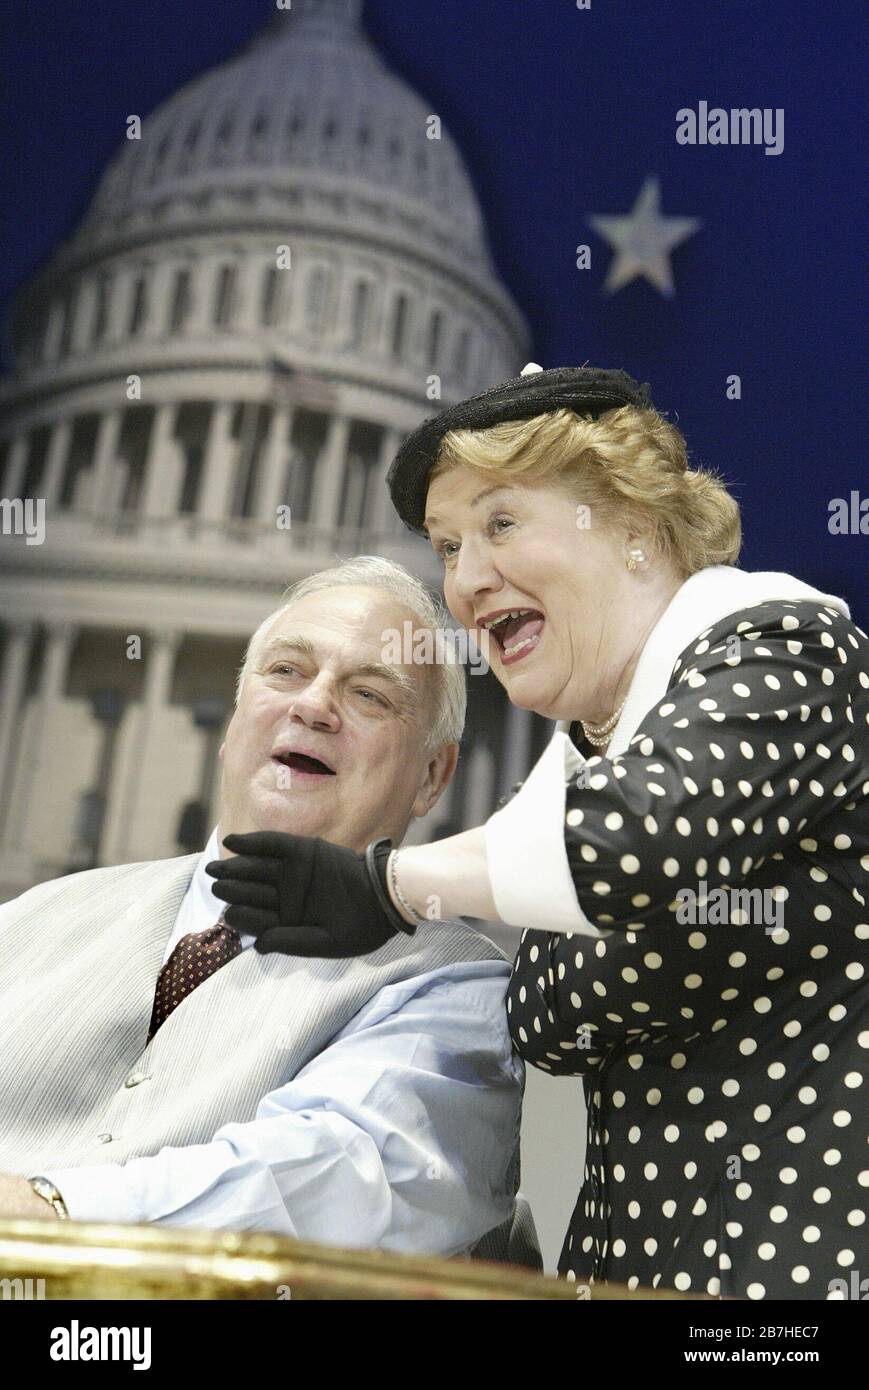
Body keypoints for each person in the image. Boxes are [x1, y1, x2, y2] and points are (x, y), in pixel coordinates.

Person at [209, 365, 868, 1301]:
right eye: (446, 545)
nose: (467, 580)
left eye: (501, 524)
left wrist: (385, 887)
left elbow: (632, 846)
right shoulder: (566, 782)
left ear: (635, 527)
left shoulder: (787, 647)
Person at [0, 558, 539, 1268]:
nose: (313, 705)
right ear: (232, 725)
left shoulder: (454, 985)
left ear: (432, 777)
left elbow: (337, 1181)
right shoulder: (32, 918)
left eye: (371, 694)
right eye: (285, 671)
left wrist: (50, 1212)